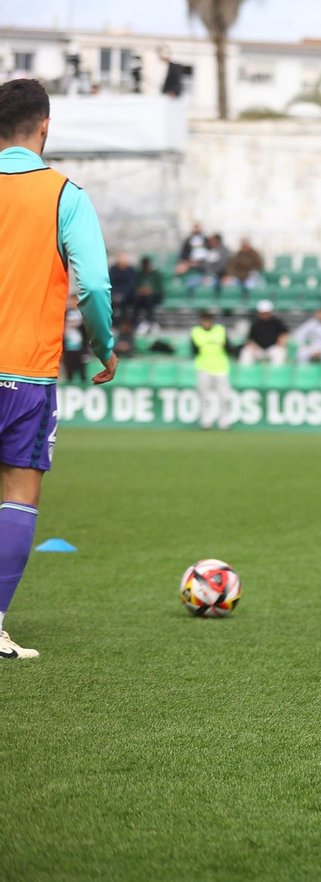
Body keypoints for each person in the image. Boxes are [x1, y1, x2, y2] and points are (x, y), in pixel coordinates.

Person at [0, 80, 116, 660]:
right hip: (25, 373)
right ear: (44, 127)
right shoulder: (65, 195)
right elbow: (92, 284)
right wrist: (104, 345)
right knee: (17, 491)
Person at [190, 309, 231, 431]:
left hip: (220, 367)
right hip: (203, 367)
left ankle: (224, 422)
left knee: (224, 397)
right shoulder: (196, 331)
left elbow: (228, 346)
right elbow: (194, 350)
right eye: (204, 320)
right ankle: (206, 421)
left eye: (208, 320)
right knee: (204, 397)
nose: (206, 323)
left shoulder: (220, 330)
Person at [240, 300, 288, 366]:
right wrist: (253, 347)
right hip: (258, 349)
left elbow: (283, 334)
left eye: (266, 312)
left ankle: (276, 374)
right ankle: (246, 373)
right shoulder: (255, 323)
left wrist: (280, 344)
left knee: (279, 352)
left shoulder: (277, 322)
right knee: (246, 351)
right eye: (263, 313)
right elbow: (250, 339)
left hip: (272, 348)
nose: (265, 315)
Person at [129, 257, 165, 330]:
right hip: (142, 296)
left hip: (154, 296)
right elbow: (136, 286)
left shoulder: (156, 274)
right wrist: (141, 290)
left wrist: (150, 291)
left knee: (149, 300)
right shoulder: (140, 274)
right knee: (136, 299)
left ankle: (149, 321)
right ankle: (135, 322)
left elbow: (159, 288)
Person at [108, 252, 138, 321]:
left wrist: (122, 295)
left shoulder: (131, 271)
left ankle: (126, 323)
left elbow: (131, 285)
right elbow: (111, 283)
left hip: (126, 294)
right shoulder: (113, 270)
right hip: (114, 293)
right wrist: (115, 294)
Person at [60, 310, 87, 383]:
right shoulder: (65, 326)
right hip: (68, 350)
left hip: (80, 350)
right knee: (69, 373)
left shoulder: (82, 327)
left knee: (82, 374)